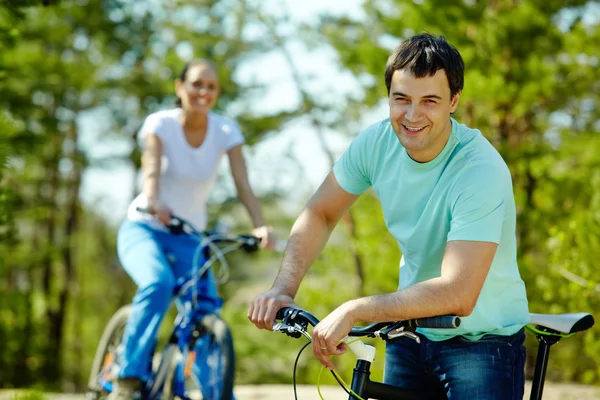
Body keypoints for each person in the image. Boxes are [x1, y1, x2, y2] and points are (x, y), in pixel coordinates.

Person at [248, 33, 530, 399]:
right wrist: (283, 289)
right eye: (401, 100)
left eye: (429, 101)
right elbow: (320, 212)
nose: (412, 116)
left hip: (481, 342)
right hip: (407, 333)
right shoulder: (376, 143)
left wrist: (356, 309)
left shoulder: (480, 169)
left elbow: (459, 291)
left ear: (454, 101)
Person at [110, 58, 277, 400]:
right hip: (145, 227)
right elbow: (151, 169)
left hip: (189, 237)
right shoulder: (160, 124)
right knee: (158, 284)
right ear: (179, 87)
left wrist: (259, 225)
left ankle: (216, 393)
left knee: (205, 309)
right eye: (197, 84)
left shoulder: (225, 130)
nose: (204, 91)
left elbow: (243, 183)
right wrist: (155, 202)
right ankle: (128, 379)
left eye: (211, 86)